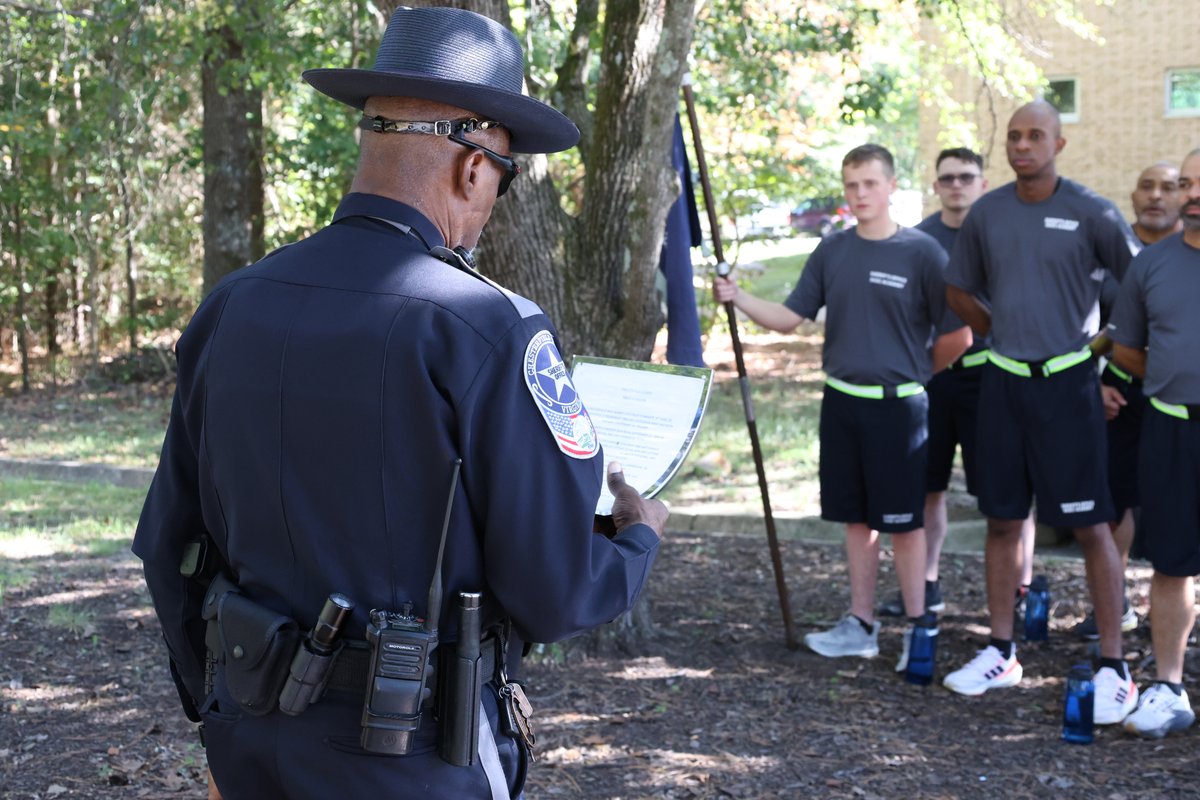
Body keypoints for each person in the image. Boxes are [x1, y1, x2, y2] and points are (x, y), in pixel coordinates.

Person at [131, 8, 668, 799]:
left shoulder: (233, 305)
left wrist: (218, 710)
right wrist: (635, 543)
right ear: (473, 166)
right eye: (507, 174)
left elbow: (167, 545)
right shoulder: (489, 329)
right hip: (414, 756)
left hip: (247, 743)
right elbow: (554, 590)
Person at [714, 144, 971, 671]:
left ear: (891, 186)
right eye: (851, 185)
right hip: (843, 403)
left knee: (904, 524)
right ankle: (861, 624)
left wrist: (918, 374)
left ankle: (919, 628)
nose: (860, 195)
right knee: (855, 520)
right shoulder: (833, 251)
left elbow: (959, 334)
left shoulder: (923, 253)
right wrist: (737, 297)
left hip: (900, 410)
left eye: (869, 184)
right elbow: (791, 318)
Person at [943, 101, 1140, 725]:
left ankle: (1115, 666)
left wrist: (1100, 352)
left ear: (1059, 142)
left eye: (1036, 135)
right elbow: (957, 289)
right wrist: (996, 328)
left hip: (1068, 389)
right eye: (1015, 136)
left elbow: (1137, 290)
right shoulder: (989, 213)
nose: (1023, 145)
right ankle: (1001, 652)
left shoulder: (1093, 212)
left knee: (1093, 527)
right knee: (1002, 520)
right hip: (1001, 385)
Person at [876, 147, 1037, 619]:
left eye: (966, 177)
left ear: (983, 183)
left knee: (1010, 490)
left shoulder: (1005, 232)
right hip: (936, 376)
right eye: (947, 178)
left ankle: (1022, 588)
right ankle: (926, 586)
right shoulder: (918, 240)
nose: (956, 185)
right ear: (935, 185)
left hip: (997, 377)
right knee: (928, 488)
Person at [1109, 148, 1200, 739]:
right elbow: (1127, 349)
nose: (1192, 195)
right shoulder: (1152, 265)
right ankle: (1168, 687)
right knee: (1171, 562)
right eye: (1188, 183)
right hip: (1169, 426)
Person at [1074, 161, 1182, 640]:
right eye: (1147, 186)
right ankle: (1111, 609)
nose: (1156, 195)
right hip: (1119, 392)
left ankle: (1178, 616)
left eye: (1169, 187)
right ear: (1133, 196)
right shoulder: (1110, 252)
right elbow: (1090, 333)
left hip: (1184, 400)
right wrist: (1093, 385)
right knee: (1113, 503)